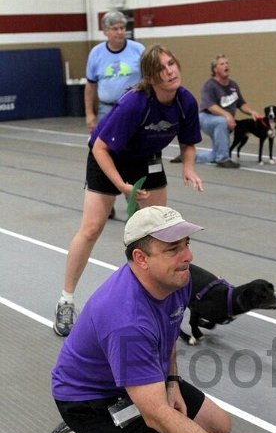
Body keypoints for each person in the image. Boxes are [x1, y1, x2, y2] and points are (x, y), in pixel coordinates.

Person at [40, 206, 271, 433]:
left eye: (187, 244)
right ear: (141, 258)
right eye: (173, 249)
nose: (188, 256)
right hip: (91, 400)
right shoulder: (126, 321)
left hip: (139, 379)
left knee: (219, 426)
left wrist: (172, 382)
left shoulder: (177, 279)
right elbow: (157, 416)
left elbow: (169, 329)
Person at [53, 44, 204, 338]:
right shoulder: (135, 103)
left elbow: (188, 143)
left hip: (147, 160)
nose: (170, 71)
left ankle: (154, 302)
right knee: (92, 227)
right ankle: (66, 300)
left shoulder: (185, 101)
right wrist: (121, 185)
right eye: (161, 68)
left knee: (161, 232)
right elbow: (100, 147)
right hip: (108, 157)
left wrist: (188, 167)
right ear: (150, 76)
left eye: (172, 63)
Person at [171, 54, 260, 169]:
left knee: (214, 154)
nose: (226, 66)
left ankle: (187, 156)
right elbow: (210, 106)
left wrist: (252, 112)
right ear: (215, 69)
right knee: (222, 121)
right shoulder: (209, 85)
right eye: (222, 64)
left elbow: (241, 103)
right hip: (206, 118)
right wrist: (227, 115)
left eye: (227, 63)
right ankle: (223, 159)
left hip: (221, 122)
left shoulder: (233, 85)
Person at [84, 10, 145, 132]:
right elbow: (90, 86)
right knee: (105, 146)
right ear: (105, 32)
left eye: (122, 28)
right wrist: (89, 113)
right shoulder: (96, 53)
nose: (120, 32)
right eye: (115, 29)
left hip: (134, 107)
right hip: (107, 109)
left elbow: (150, 79)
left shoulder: (139, 50)